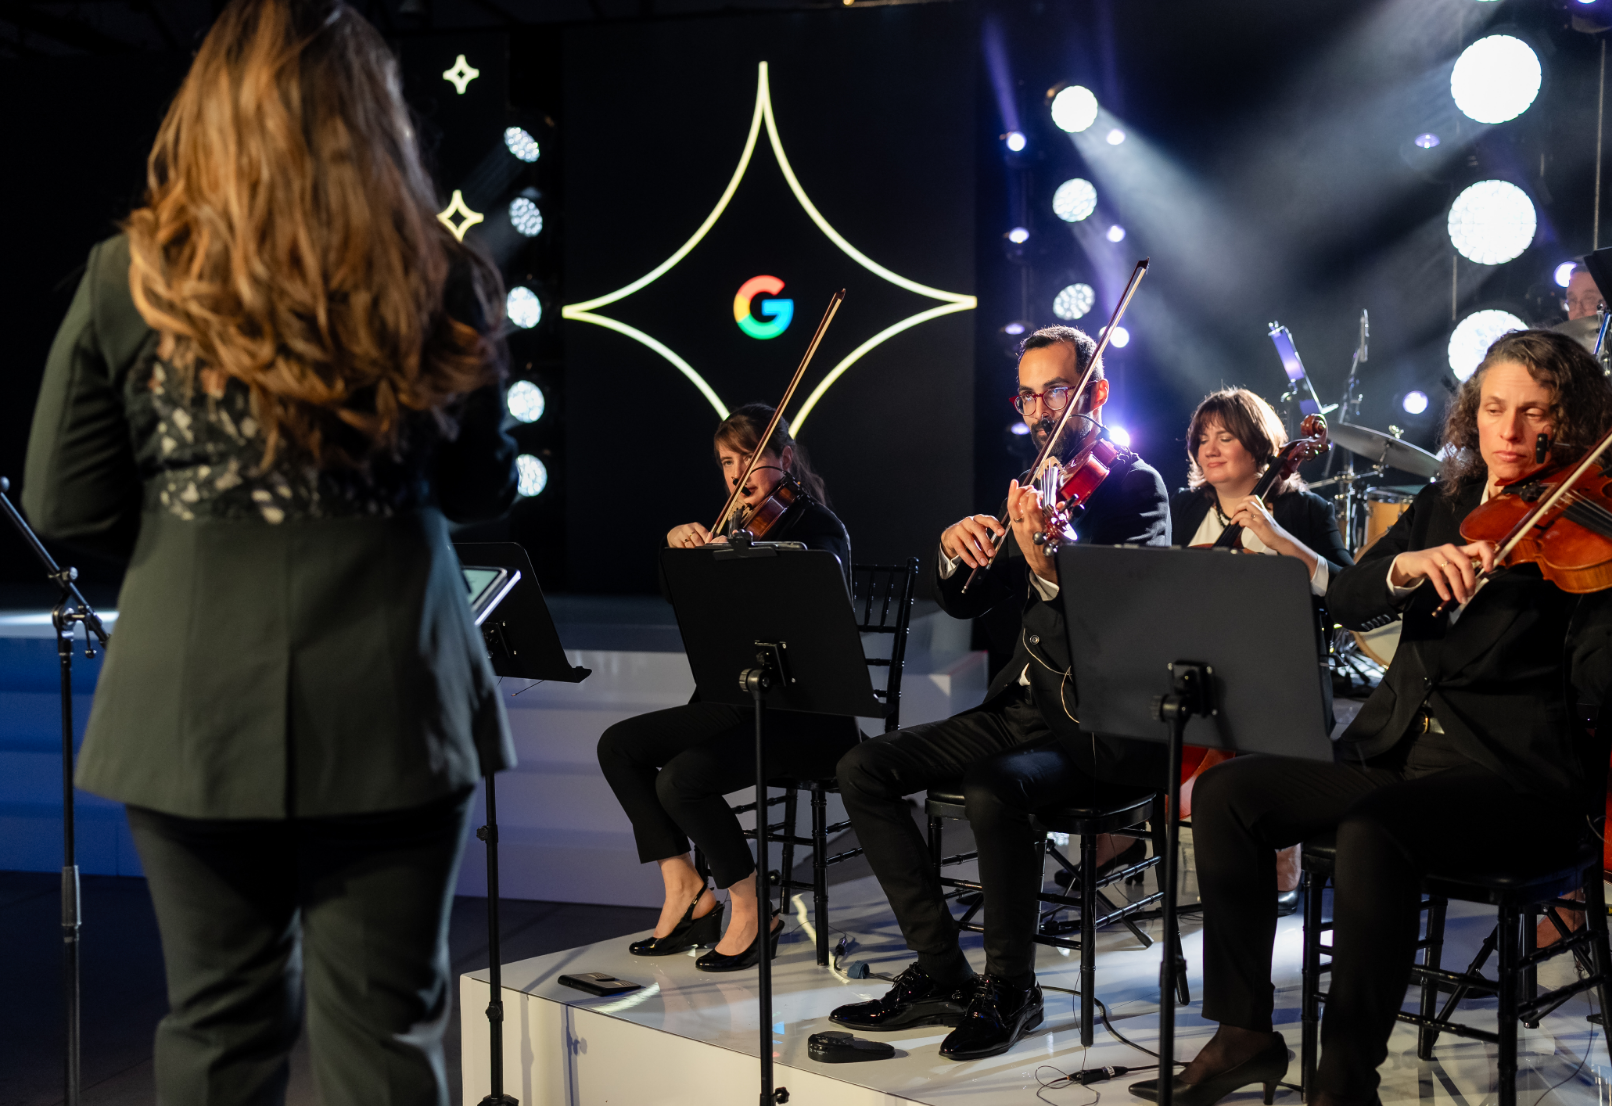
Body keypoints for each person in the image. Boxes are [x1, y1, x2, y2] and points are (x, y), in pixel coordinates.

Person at [21, 2, 518, 1102]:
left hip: (193, 701)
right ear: (370, 113)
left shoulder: (131, 273)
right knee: (388, 1034)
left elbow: (70, 504)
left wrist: (204, 529)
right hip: (397, 695)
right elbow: (484, 492)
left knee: (216, 1028)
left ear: (210, 113)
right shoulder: (440, 269)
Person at [1131, 329, 1612, 1104]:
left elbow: (1596, 684)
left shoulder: (1591, 533)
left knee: (1372, 831)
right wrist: (1402, 567)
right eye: (1495, 408)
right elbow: (1348, 594)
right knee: (1228, 796)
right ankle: (1246, 1033)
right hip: (1395, 751)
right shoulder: (1448, 499)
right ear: (1474, 414)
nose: (1511, 432)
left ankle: (1344, 1081)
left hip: (1512, 778)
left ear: (1576, 419)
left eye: (1536, 412)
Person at [828, 325, 1170, 1061]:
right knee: (863, 768)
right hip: (1019, 707)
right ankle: (943, 974)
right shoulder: (1037, 484)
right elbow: (964, 603)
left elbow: (1124, 630)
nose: (1041, 408)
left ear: (1096, 393)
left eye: (1056, 390)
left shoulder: (1137, 489)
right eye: (1028, 393)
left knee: (991, 789)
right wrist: (956, 552)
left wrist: (1046, 562)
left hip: (1093, 722)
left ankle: (1012, 988)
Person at [597, 404, 854, 971]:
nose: (738, 477)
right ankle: (686, 887)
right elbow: (687, 606)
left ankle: (748, 907)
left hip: (804, 716)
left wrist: (741, 560)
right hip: (737, 701)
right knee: (618, 745)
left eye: (751, 460)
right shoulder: (736, 530)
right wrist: (680, 550)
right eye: (726, 463)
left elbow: (814, 612)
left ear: (785, 459)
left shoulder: (817, 528)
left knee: (681, 780)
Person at [1171, 388, 1353, 914]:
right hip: (1200, 671)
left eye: (1225, 436)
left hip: (1280, 673)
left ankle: (1282, 848)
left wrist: (1279, 541)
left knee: (1269, 711)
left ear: (1261, 446)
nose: (1211, 448)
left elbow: (1347, 592)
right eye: (1202, 439)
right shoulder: (1183, 508)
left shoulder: (1305, 509)